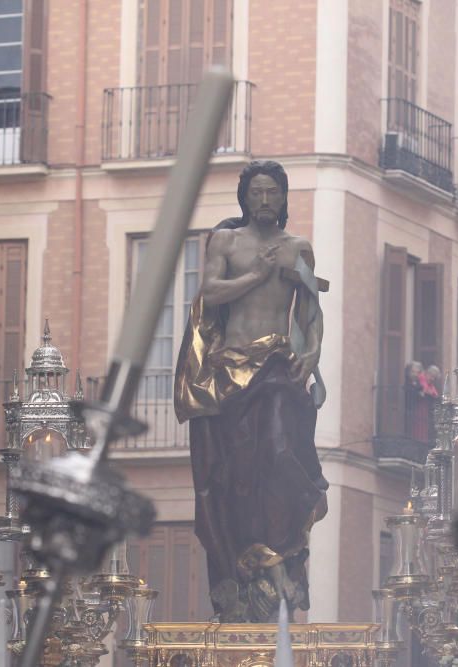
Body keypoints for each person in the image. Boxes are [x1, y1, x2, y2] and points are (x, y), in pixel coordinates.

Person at [174, 160, 328, 623]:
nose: (264, 200)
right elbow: (210, 294)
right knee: (234, 476)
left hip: (278, 370)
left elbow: (309, 311)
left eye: (273, 193)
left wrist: (314, 355)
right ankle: (244, 562)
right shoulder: (227, 242)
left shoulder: (298, 248)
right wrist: (256, 276)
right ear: (245, 198)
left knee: (282, 451)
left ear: (284, 199)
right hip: (229, 374)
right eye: (257, 192)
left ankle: (282, 548)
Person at [406, 362, 440, 442]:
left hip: (424, 409)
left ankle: (421, 441)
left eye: (434, 378)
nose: (432, 379)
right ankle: (418, 441)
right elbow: (424, 390)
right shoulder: (421, 379)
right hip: (418, 407)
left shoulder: (429, 383)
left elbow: (434, 393)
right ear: (427, 373)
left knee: (423, 426)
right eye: (431, 376)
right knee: (418, 426)